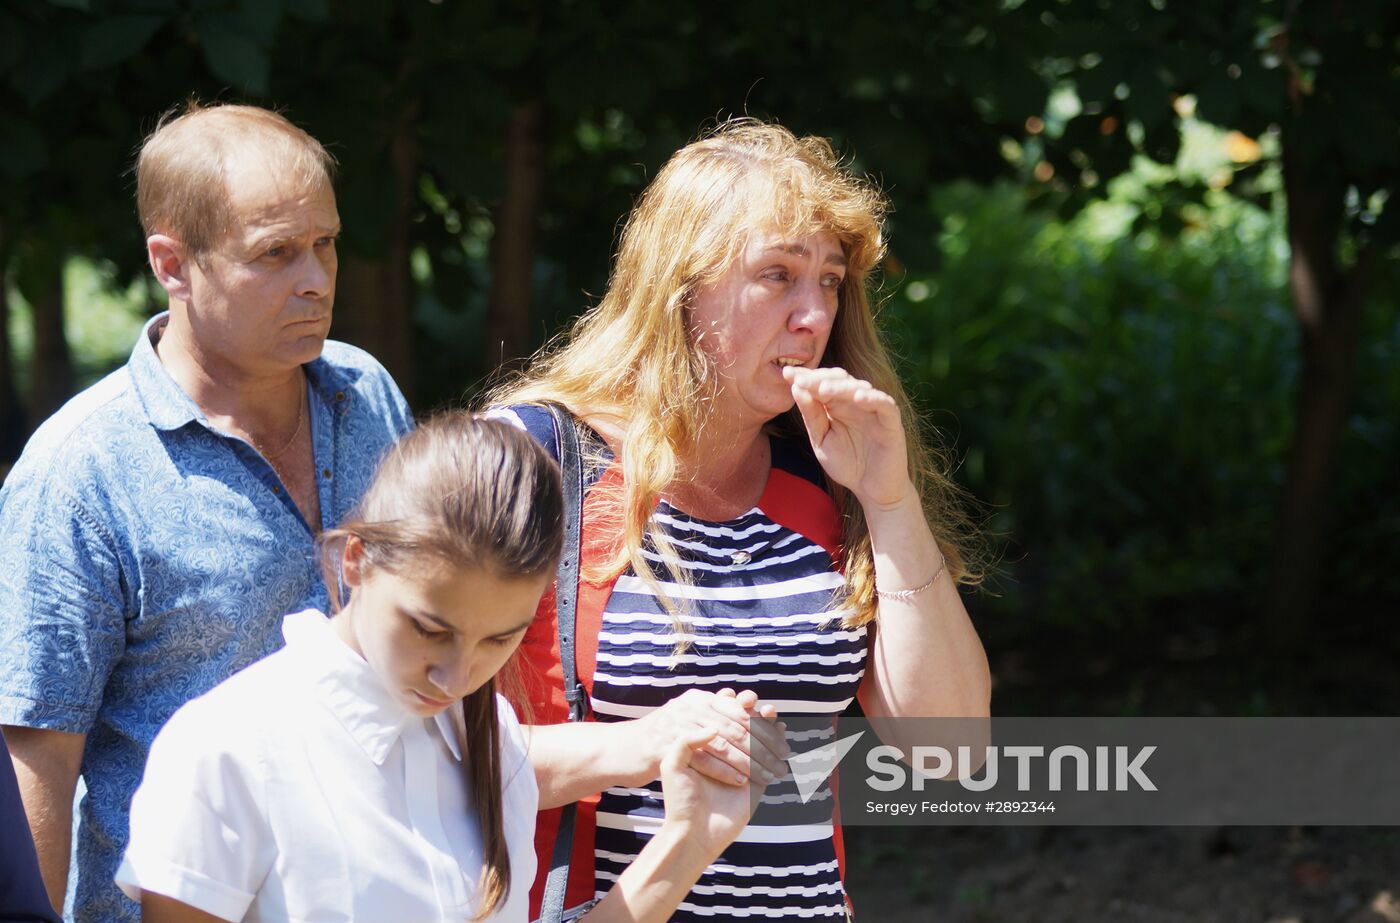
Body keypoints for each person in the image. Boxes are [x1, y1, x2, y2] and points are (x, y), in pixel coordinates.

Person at [487, 119, 993, 920]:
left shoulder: (825, 474)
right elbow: (424, 755)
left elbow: (951, 749)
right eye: (777, 275)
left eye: (829, 280)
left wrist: (890, 502)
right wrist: (643, 744)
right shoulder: (535, 459)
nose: (813, 314)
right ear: (680, 288)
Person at [0, 102, 413, 922]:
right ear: (172, 262)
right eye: (276, 253)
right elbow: (36, 756)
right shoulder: (79, 471)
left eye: (325, 243)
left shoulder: (367, 394)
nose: (317, 278)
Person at [118, 413, 772, 923]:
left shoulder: (491, 742)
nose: (456, 675)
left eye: (500, 639)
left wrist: (689, 839)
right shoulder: (225, 746)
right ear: (356, 561)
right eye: (431, 629)